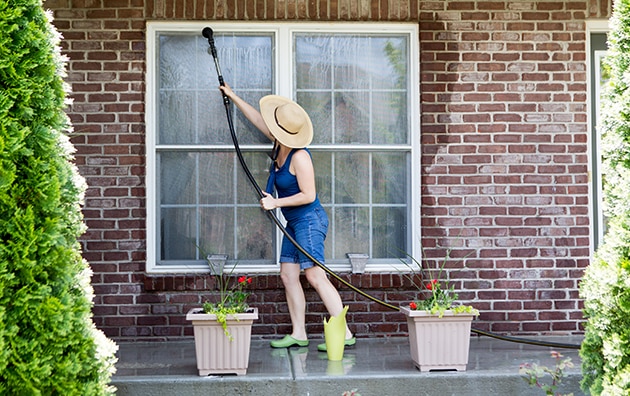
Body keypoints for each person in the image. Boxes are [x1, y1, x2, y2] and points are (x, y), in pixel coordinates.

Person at [219, 84, 355, 351]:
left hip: (309, 220)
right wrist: (233, 96)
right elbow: (257, 120)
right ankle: (299, 333)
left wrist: (275, 202)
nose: (269, 126)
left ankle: (346, 333)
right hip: (294, 222)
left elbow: (308, 194)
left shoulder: (300, 156)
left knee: (315, 276)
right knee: (288, 276)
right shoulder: (279, 142)